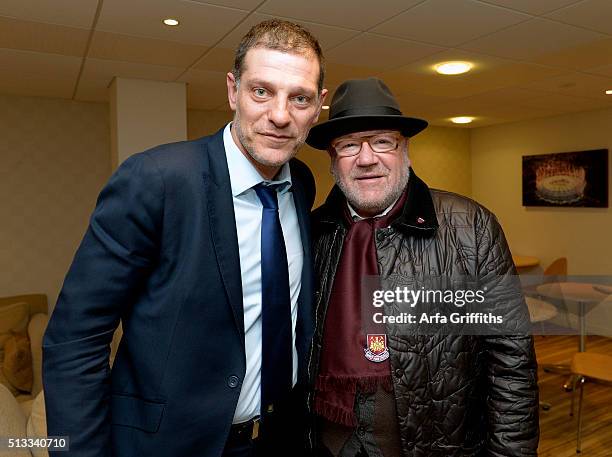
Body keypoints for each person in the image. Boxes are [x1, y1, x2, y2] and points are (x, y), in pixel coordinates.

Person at [42, 19, 328, 457]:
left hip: (279, 440)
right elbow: (75, 339)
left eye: (300, 98)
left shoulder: (301, 184)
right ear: (233, 90)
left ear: (318, 106)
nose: (280, 115)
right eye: (261, 91)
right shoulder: (156, 181)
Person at [304, 78, 539, 457]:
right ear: (333, 160)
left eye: (382, 141)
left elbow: (511, 365)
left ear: (405, 151)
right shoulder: (311, 232)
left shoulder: (471, 227)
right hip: (329, 443)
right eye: (349, 145)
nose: (366, 159)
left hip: (435, 446)